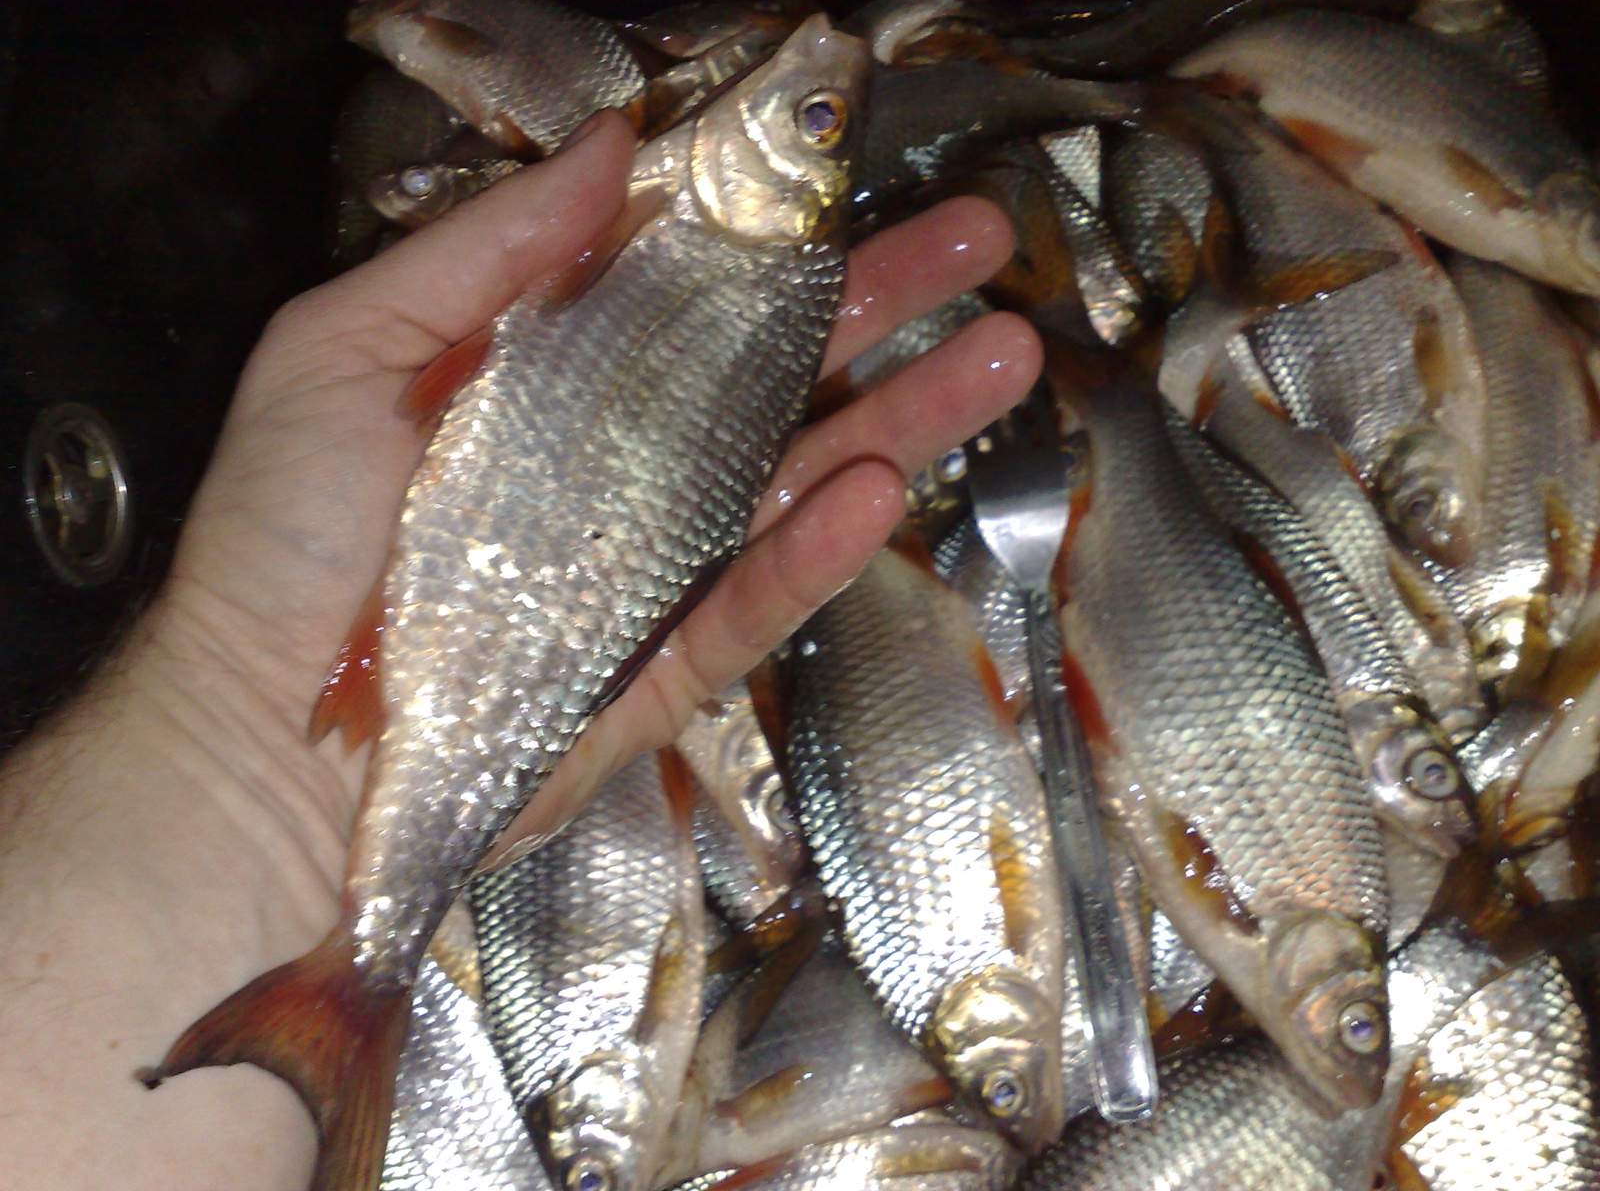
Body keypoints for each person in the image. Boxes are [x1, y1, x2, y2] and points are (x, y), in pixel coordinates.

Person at [0, 113, 1040, 1190]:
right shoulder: (699, 238)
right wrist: (243, 691)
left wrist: (237, 712)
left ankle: (346, 996)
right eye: (819, 122)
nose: (810, 94)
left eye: (814, 120)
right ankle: (344, 991)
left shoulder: (680, 226)